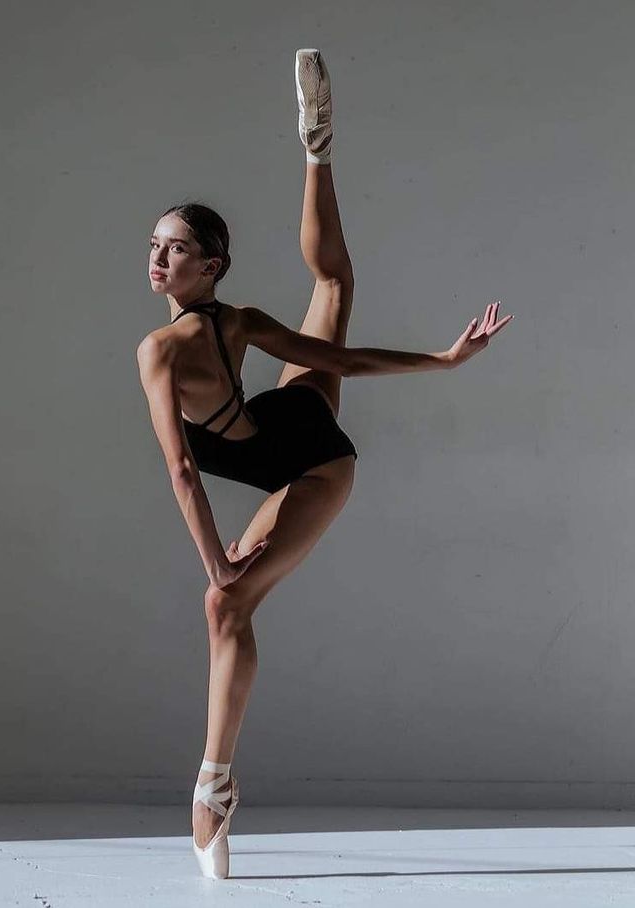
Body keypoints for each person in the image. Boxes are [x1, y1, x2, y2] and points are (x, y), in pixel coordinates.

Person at [136, 48, 513, 879]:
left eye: (175, 249)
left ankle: (213, 784)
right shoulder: (235, 320)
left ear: (211, 266)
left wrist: (219, 565)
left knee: (223, 607)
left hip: (312, 463)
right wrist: (442, 362)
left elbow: (185, 473)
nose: (158, 259)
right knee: (334, 284)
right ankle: (317, 150)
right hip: (286, 418)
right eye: (155, 245)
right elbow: (334, 360)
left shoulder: (162, 350)